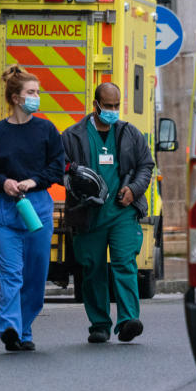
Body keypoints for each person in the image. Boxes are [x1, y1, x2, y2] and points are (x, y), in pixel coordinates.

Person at [0, 65, 65, 352]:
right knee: (11, 275)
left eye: (37, 92)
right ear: (15, 97)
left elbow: (57, 166)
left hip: (37, 208)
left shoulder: (47, 130)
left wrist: (33, 180)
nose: (36, 97)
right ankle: (9, 328)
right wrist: (4, 183)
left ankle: (24, 330)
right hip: (5, 213)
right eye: (31, 92)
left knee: (35, 278)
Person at [62, 82, 154, 344]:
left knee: (125, 262)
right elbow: (60, 169)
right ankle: (99, 324)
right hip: (89, 214)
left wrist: (134, 190)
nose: (113, 111)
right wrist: (79, 184)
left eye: (116, 106)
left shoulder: (129, 133)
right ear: (95, 106)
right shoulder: (72, 136)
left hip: (122, 211)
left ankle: (128, 321)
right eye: (108, 106)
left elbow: (145, 165)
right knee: (93, 268)